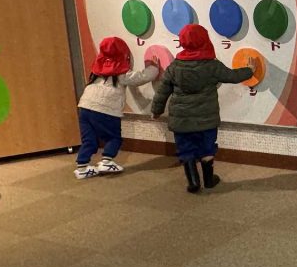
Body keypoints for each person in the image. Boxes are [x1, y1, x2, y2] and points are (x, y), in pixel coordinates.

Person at [150, 24, 253, 193]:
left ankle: (193, 181)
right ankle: (209, 180)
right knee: (207, 148)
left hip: (181, 121)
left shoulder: (174, 67)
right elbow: (233, 76)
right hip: (206, 121)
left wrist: (156, 110)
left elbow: (162, 92)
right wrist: (250, 70)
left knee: (185, 149)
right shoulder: (212, 65)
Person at [75, 36, 158, 179]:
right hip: (105, 110)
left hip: (84, 107)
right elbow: (141, 77)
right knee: (114, 138)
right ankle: (106, 161)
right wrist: (154, 67)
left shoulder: (97, 71)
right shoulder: (120, 74)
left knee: (89, 139)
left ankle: (82, 167)